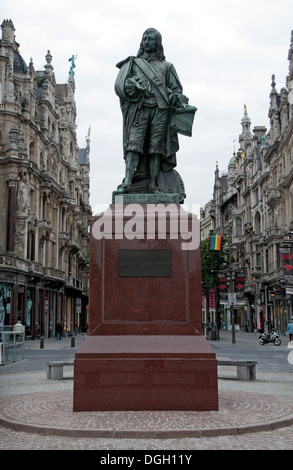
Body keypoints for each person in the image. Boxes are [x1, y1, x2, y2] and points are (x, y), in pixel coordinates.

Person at [114, 28, 195, 195]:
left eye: (150, 39)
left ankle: (153, 185)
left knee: (156, 148)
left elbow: (177, 90)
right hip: (139, 109)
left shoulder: (167, 67)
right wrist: (133, 86)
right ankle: (128, 183)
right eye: (144, 39)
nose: (146, 42)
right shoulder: (133, 64)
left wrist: (175, 97)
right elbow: (121, 86)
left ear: (157, 43)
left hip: (161, 110)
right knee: (133, 145)